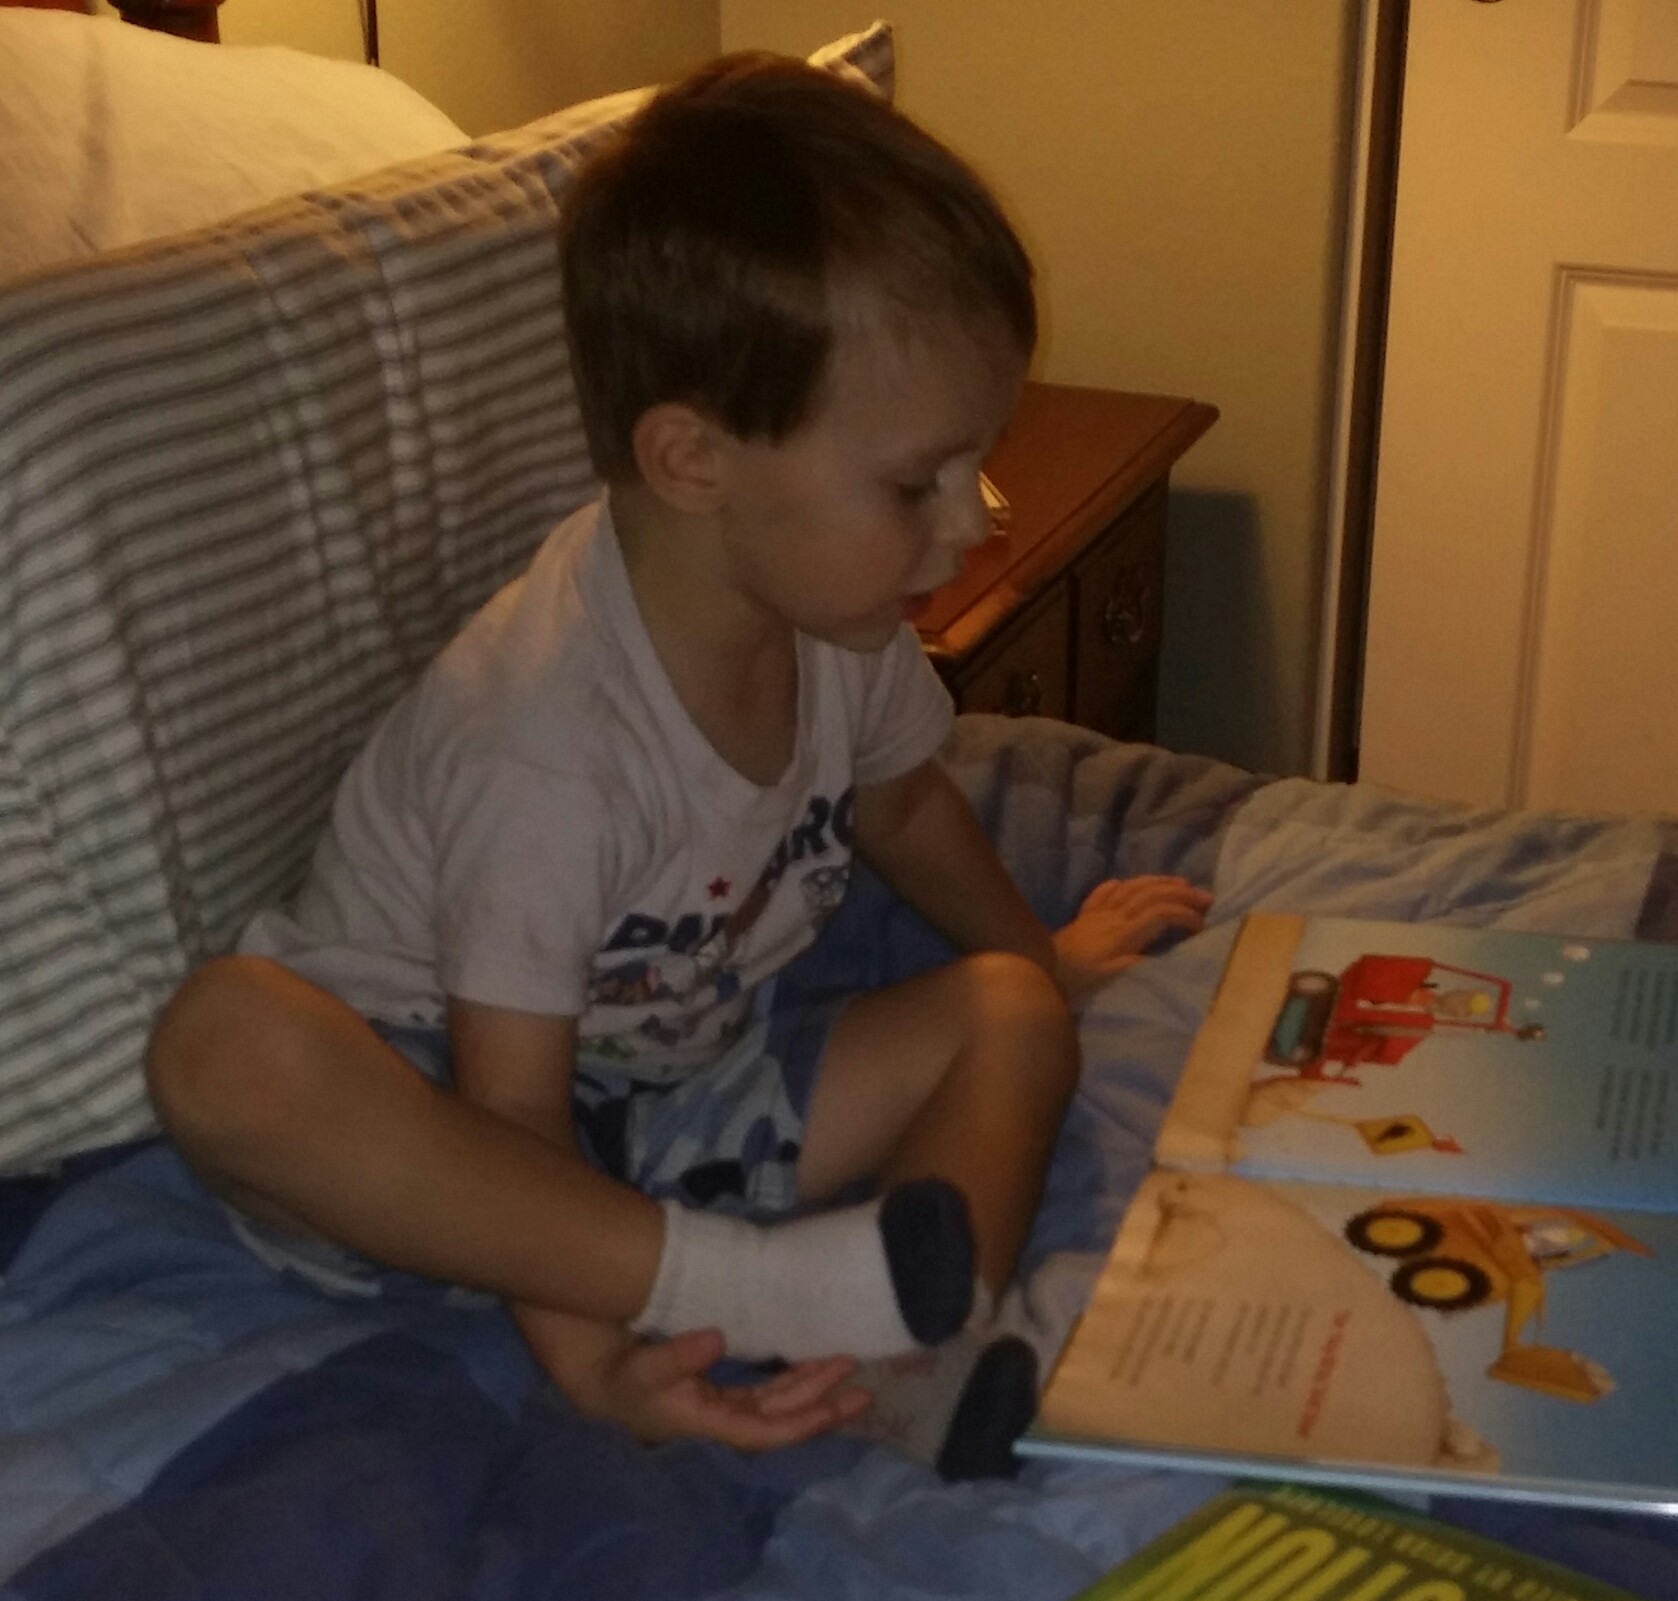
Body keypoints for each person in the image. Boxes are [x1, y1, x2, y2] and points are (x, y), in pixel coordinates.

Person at [144, 52, 1208, 1473]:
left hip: (665, 1093)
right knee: (223, 1042)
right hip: (431, 1119)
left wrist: (1045, 963)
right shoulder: (549, 743)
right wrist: (598, 1368)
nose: (971, 525)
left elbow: (902, 804)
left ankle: (910, 1351)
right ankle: (763, 1286)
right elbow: (510, 1107)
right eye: (916, 483)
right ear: (696, 463)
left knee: (1011, 1013)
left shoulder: (836, 619)